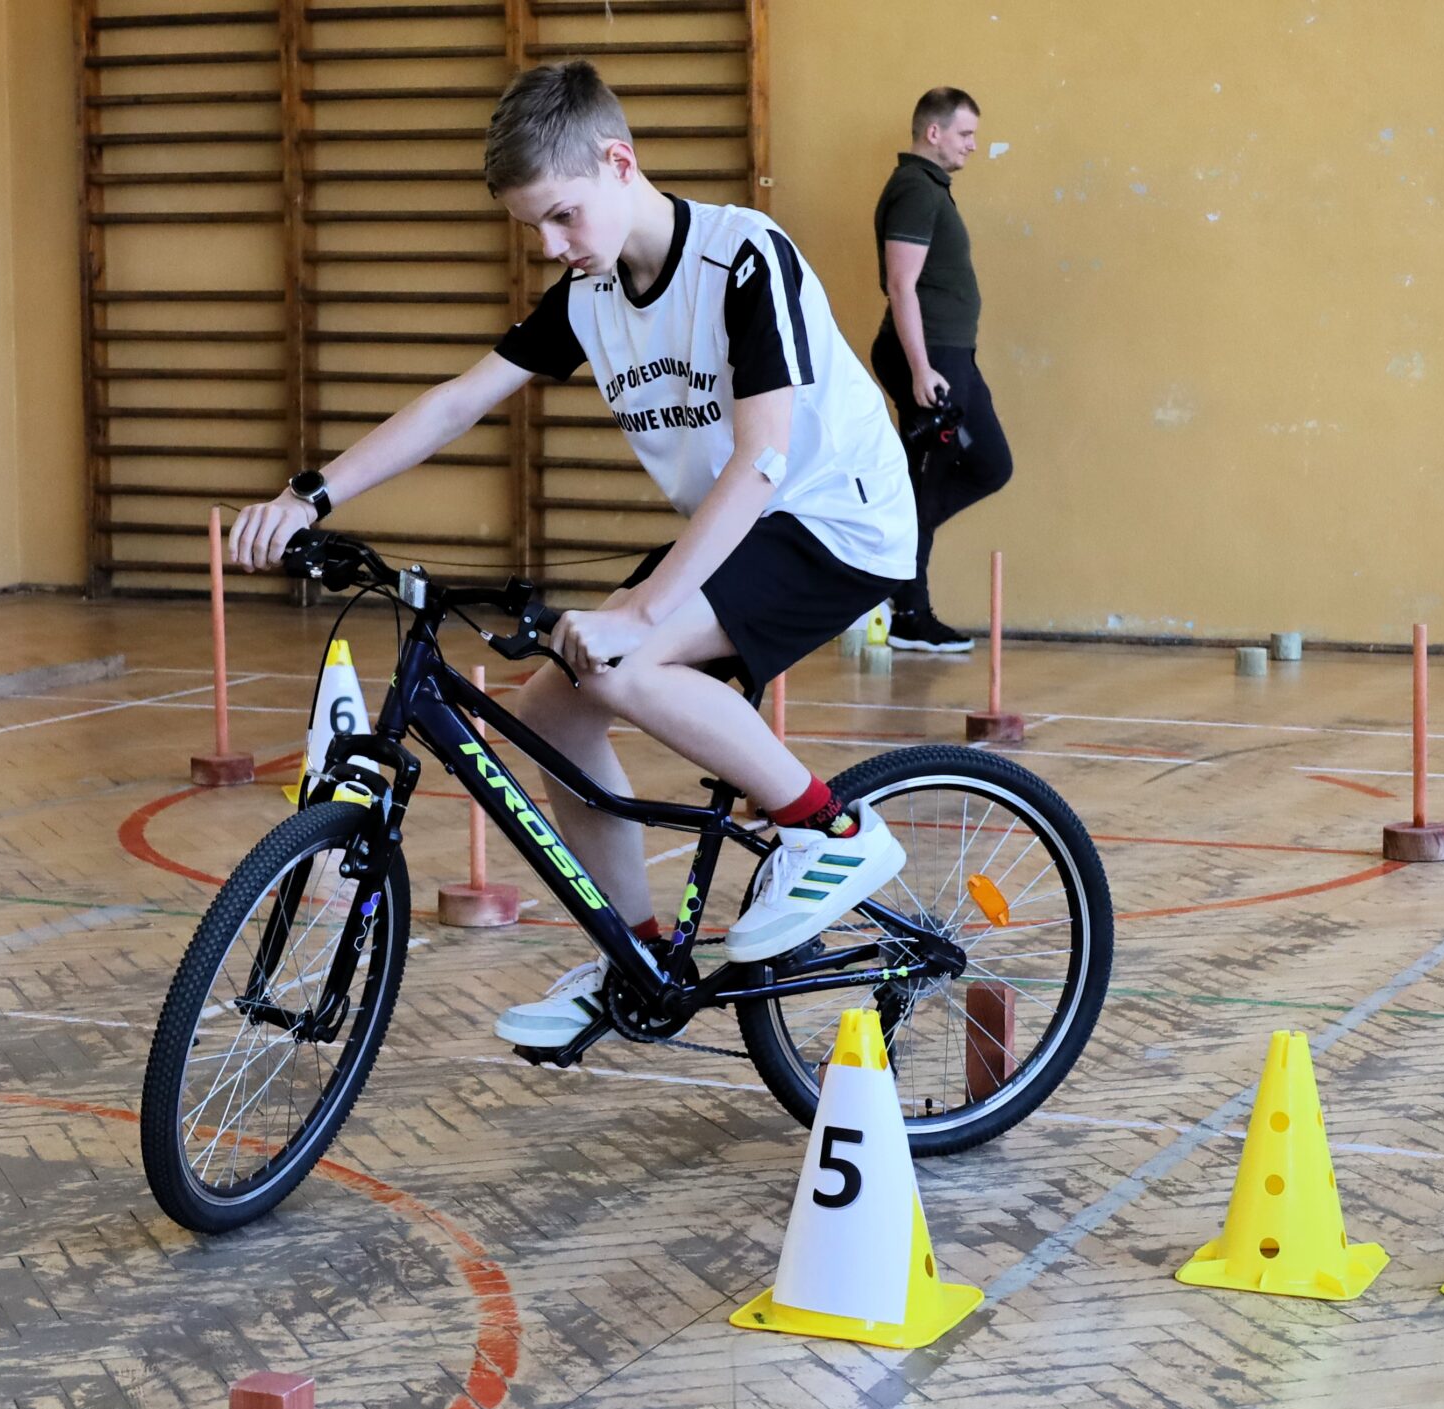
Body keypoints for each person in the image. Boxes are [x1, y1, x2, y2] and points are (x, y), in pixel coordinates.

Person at [229, 60, 916, 1050]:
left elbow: (764, 458)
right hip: (740, 529)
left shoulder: (741, 257)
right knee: (554, 707)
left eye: (561, 216)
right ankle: (635, 956)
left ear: (618, 163)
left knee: (622, 658)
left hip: (834, 519)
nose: (550, 246)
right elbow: (457, 403)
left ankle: (831, 831)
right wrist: (312, 493)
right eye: (533, 228)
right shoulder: (590, 294)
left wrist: (642, 613)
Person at [868, 86, 1015, 653]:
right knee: (927, 481)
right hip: (931, 360)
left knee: (989, 464)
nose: (973, 145)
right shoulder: (914, 188)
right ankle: (909, 612)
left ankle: (888, 553)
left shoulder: (929, 189)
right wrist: (921, 369)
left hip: (951, 357)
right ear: (934, 132)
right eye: (965, 134)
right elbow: (900, 283)